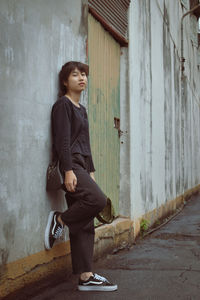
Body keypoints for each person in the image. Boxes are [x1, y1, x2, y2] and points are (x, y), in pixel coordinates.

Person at [44, 61, 118, 292]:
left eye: (84, 74)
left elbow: (86, 144)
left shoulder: (81, 110)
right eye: (75, 75)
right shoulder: (62, 106)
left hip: (82, 166)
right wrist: (68, 170)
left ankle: (86, 276)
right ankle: (60, 220)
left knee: (86, 223)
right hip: (72, 165)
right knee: (97, 201)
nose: (81, 78)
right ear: (65, 81)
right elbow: (62, 141)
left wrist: (91, 172)